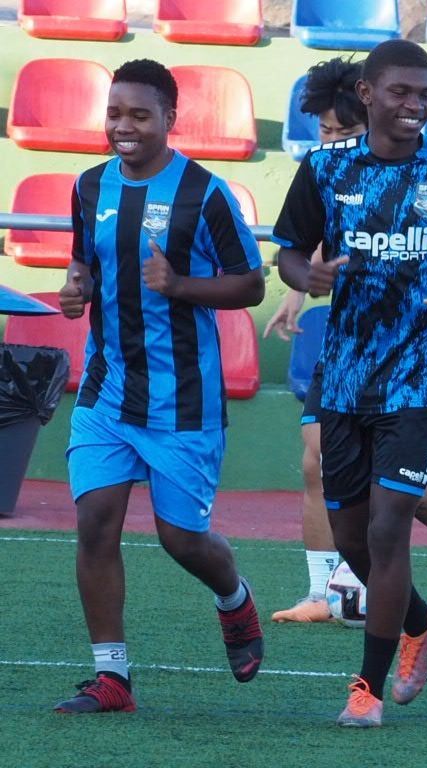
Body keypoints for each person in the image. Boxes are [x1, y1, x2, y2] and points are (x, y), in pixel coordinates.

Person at [272, 39, 427, 727]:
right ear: (369, 94)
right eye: (402, 93)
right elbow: (289, 250)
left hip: (421, 377)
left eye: (426, 96)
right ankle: (420, 621)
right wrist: (305, 276)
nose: (415, 106)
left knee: (385, 532)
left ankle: (365, 692)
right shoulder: (323, 169)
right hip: (345, 377)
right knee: (352, 536)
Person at [53, 59, 267, 714]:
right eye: (114, 113)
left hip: (183, 401)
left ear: (171, 119)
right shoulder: (89, 187)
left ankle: (234, 600)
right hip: (107, 391)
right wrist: (74, 287)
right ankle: (111, 676)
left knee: (181, 541)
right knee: (95, 524)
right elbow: (83, 264)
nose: (124, 126)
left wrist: (180, 286)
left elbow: (251, 283)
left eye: (139, 115)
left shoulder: (206, 194)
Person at [266, 58, 427, 624]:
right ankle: (323, 588)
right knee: (316, 462)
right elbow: (313, 244)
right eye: (326, 131)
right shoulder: (331, 171)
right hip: (347, 351)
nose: (333, 140)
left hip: (411, 356)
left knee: (391, 492)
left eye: (343, 130)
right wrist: (299, 286)